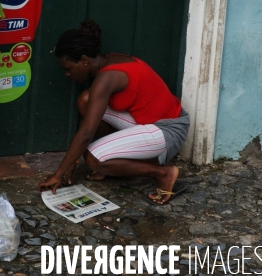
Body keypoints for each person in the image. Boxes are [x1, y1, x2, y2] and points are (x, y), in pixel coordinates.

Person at [37, 20, 190, 204]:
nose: (67, 75)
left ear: (85, 61)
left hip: (168, 131)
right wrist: (72, 161)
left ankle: (163, 173)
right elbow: (89, 123)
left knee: (93, 158)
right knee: (86, 100)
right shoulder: (109, 61)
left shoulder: (106, 78)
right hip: (150, 122)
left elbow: (86, 134)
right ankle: (112, 163)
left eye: (69, 69)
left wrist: (59, 173)